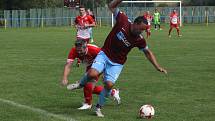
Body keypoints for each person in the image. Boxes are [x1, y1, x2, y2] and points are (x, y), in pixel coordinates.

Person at [69, 0, 167, 117]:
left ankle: (98, 108)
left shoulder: (139, 39)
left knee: (109, 85)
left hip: (117, 63)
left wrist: (157, 67)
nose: (141, 32)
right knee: (92, 73)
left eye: (143, 30)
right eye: (140, 29)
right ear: (135, 23)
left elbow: (147, 52)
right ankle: (80, 84)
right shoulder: (123, 20)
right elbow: (111, 6)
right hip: (105, 54)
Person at [61, 39, 120, 110]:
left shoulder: (95, 50)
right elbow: (68, 65)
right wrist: (65, 78)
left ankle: (88, 104)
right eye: (77, 50)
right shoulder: (74, 50)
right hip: (90, 66)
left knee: (88, 81)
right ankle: (112, 92)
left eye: (80, 50)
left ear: (85, 47)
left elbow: (106, 61)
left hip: (100, 65)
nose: (79, 52)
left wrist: (105, 74)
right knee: (89, 87)